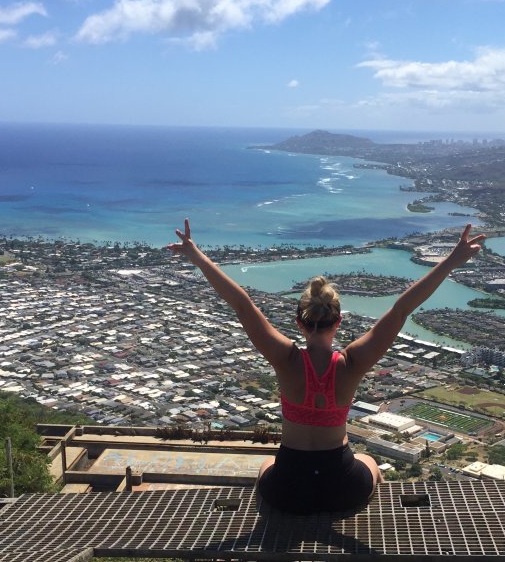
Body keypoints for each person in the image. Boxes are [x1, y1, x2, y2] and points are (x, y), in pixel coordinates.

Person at [167, 219, 485, 514]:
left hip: (287, 488)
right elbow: (402, 308)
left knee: (266, 466)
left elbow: (242, 303)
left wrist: (198, 257)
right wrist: (451, 262)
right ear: (339, 321)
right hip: (343, 485)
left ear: (299, 323)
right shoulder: (352, 363)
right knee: (369, 461)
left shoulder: (286, 359)